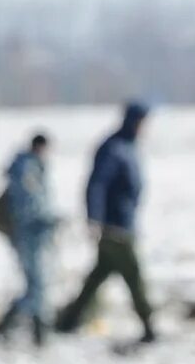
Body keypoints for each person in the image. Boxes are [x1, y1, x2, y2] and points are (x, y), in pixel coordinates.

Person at [55, 103, 154, 342]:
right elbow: (96, 184)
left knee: (97, 277)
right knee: (134, 275)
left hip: (125, 222)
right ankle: (149, 326)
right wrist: (94, 219)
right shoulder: (114, 148)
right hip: (114, 227)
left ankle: (69, 322)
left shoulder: (129, 147)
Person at [0, 133, 60, 346]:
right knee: (37, 284)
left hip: (35, 233)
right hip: (30, 234)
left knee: (37, 284)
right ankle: (30, 329)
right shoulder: (26, 169)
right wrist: (49, 219)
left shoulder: (33, 167)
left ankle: (25, 327)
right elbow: (31, 205)